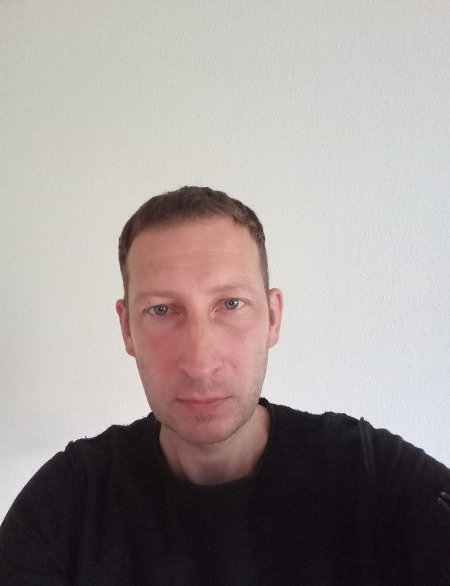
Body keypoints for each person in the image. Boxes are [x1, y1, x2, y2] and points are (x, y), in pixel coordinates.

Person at [0, 186, 449, 585]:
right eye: (161, 310)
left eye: (231, 304)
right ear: (126, 329)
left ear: (273, 317)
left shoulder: (372, 477)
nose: (200, 364)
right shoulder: (69, 501)